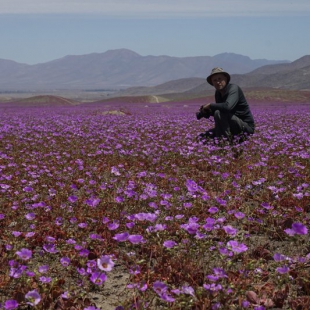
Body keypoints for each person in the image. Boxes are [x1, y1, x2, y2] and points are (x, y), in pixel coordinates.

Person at [197, 67, 255, 142]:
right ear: (212, 83)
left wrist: (210, 105)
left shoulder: (233, 89)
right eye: (215, 80)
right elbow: (221, 112)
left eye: (220, 79)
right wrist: (207, 112)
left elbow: (227, 107)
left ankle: (225, 143)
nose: (218, 82)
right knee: (202, 137)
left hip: (245, 127)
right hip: (231, 124)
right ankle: (222, 140)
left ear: (226, 79)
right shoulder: (218, 93)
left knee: (219, 113)